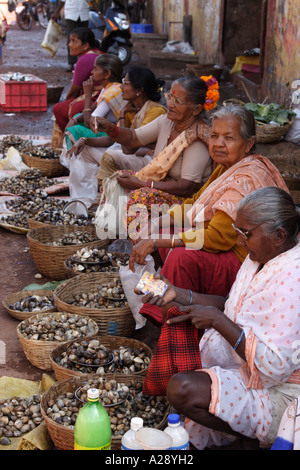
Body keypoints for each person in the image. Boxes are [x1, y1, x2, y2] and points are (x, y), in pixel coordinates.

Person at [148, 187, 300, 450]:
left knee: (182, 389)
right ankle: (235, 423)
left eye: (245, 234)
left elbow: (274, 367)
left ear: (279, 235)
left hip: (281, 392)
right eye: (237, 232)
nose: (239, 241)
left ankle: (254, 436)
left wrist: (218, 321)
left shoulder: (292, 279)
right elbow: (233, 306)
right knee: (170, 310)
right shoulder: (262, 256)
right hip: (243, 363)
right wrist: (179, 294)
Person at [129, 104, 290, 327]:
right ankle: (159, 304)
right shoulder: (225, 167)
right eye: (214, 136)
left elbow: (219, 237)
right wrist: (155, 224)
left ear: (249, 144)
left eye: (228, 138)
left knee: (180, 255)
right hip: (222, 247)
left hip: (244, 259)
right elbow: (196, 204)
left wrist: (156, 241)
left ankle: (174, 320)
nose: (218, 144)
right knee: (167, 232)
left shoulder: (245, 177)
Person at [93, 75, 217, 239]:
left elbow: (186, 187)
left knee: (140, 197)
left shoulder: (198, 138)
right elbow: (133, 138)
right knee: (115, 181)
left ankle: (142, 252)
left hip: (188, 201)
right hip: (164, 187)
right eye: (170, 97)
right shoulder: (166, 121)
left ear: (196, 109)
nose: (170, 104)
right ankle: (114, 236)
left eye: (178, 101)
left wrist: (142, 184)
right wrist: (110, 128)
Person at [64, 65, 167, 208]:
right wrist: (86, 140)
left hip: (147, 161)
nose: (121, 87)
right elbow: (114, 138)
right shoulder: (132, 107)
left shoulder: (155, 111)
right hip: (132, 154)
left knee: (111, 154)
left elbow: (128, 148)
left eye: (125, 83)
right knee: (83, 150)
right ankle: (84, 199)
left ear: (139, 90)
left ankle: (105, 200)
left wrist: (123, 116)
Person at [63, 53, 125, 151]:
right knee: (76, 117)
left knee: (74, 130)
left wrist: (88, 95)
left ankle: (73, 156)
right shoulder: (108, 88)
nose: (92, 72)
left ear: (107, 74)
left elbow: (90, 123)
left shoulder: (112, 92)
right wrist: (73, 120)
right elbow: (92, 109)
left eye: (95, 69)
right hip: (103, 129)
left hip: (113, 136)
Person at [52, 27, 102, 133]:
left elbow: (73, 92)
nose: (70, 44)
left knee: (59, 109)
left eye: (74, 41)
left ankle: (70, 136)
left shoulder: (85, 59)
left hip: (97, 96)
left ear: (85, 45)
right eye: (70, 41)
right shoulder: (97, 53)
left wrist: (66, 103)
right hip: (101, 94)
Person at [51, 0, 101, 71]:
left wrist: (99, 13)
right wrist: (56, 13)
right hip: (71, 14)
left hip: (83, 14)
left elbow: (92, 1)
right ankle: (71, 63)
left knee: (85, 39)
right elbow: (62, 2)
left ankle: (84, 61)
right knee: (71, 39)